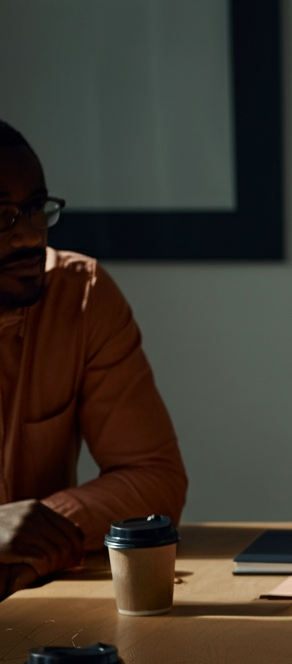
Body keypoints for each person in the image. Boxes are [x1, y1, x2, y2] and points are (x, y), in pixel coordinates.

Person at [0, 120, 187, 598]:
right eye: (2, 217)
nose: (28, 237)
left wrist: (48, 527)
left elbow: (155, 477)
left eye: (36, 208)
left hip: (35, 606)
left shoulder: (80, 296)